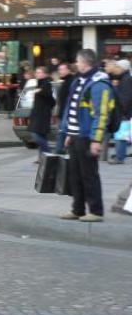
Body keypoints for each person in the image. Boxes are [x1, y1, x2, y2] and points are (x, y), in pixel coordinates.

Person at [59, 49, 115, 223]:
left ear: (85, 62)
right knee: (75, 175)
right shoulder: (79, 81)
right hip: (76, 136)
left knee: (89, 175)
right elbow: (72, 109)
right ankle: (78, 209)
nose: (76, 63)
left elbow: (102, 115)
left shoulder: (99, 84)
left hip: (87, 138)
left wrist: (96, 140)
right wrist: (69, 132)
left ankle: (96, 211)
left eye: (77, 60)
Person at [27, 66, 56, 161]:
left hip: (42, 115)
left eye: (39, 72)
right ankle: (42, 158)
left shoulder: (46, 83)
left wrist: (39, 91)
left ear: (45, 74)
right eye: (37, 72)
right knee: (41, 135)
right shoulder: (39, 83)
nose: (37, 74)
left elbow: (48, 94)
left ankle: (48, 154)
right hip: (37, 113)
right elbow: (51, 100)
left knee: (36, 134)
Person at [108, 59, 132, 164]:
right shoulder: (124, 78)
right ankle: (119, 155)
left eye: (117, 67)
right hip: (124, 112)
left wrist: (121, 111)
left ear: (123, 68)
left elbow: (125, 98)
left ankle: (120, 157)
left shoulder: (126, 80)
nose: (115, 69)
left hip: (123, 113)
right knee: (120, 135)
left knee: (121, 135)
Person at [55, 63, 75, 153]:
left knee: (63, 133)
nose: (60, 71)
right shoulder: (65, 81)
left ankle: (60, 152)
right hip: (63, 112)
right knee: (62, 133)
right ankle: (61, 152)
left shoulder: (71, 81)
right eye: (59, 69)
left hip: (67, 113)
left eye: (62, 69)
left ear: (68, 70)